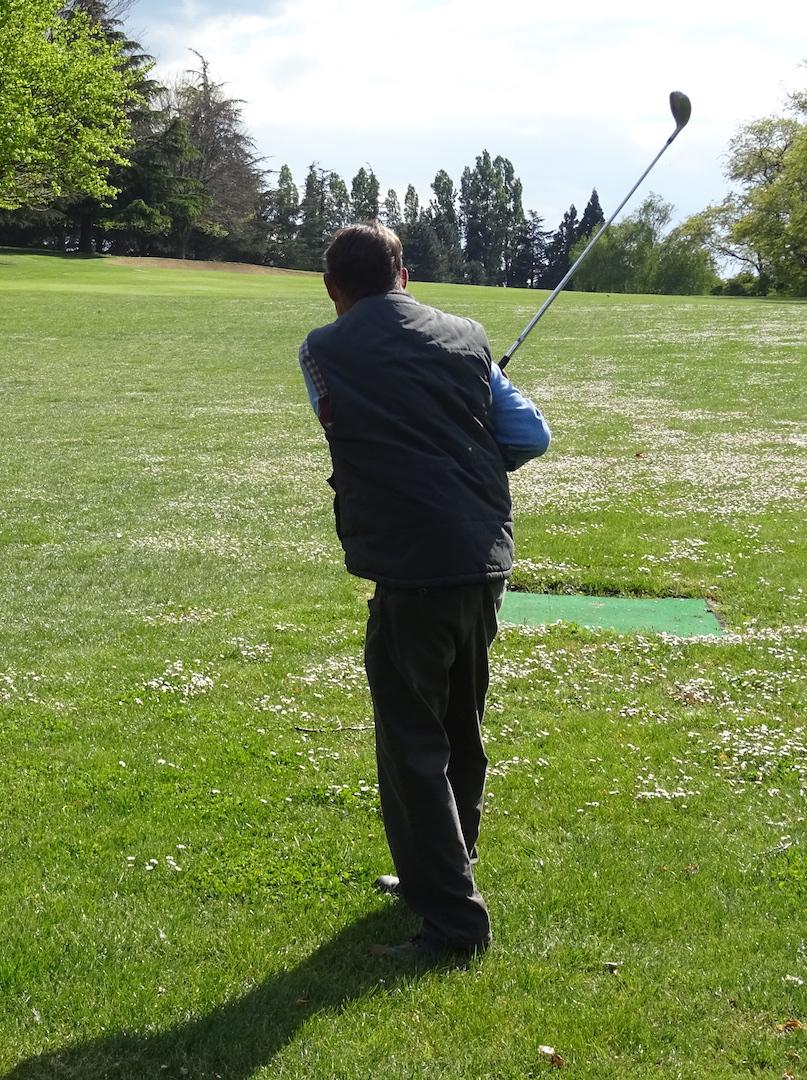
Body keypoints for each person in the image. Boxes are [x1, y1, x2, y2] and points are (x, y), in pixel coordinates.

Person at [297, 221, 550, 961]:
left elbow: (340, 423)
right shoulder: (469, 339)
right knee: (459, 728)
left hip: (411, 568)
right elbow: (529, 438)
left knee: (413, 746)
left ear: (333, 288)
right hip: (484, 558)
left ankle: (452, 924)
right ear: (404, 273)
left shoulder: (320, 350)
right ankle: (445, 872)